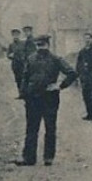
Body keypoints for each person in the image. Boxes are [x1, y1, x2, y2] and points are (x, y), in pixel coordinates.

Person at [16, 33, 76, 166]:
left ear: (48, 45)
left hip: (50, 99)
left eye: (42, 45)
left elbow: (72, 73)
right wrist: (23, 94)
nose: (40, 48)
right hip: (33, 99)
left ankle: (49, 157)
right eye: (38, 45)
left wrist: (59, 86)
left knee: (50, 128)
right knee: (31, 128)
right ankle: (29, 158)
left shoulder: (56, 59)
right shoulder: (30, 59)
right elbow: (25, 77)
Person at [6, 28, 25, 95]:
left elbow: (26, 52)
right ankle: (20, 93)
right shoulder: (11, 45)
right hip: (15, 65)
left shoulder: (23, 43)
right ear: (12, 36)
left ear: (19, 35)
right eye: (14, 35)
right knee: (17, 79)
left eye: (17, 35)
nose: (15, 36)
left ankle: (24, 92)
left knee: (24, 78)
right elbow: (8, 55)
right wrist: (11, 56)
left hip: (23, 64)